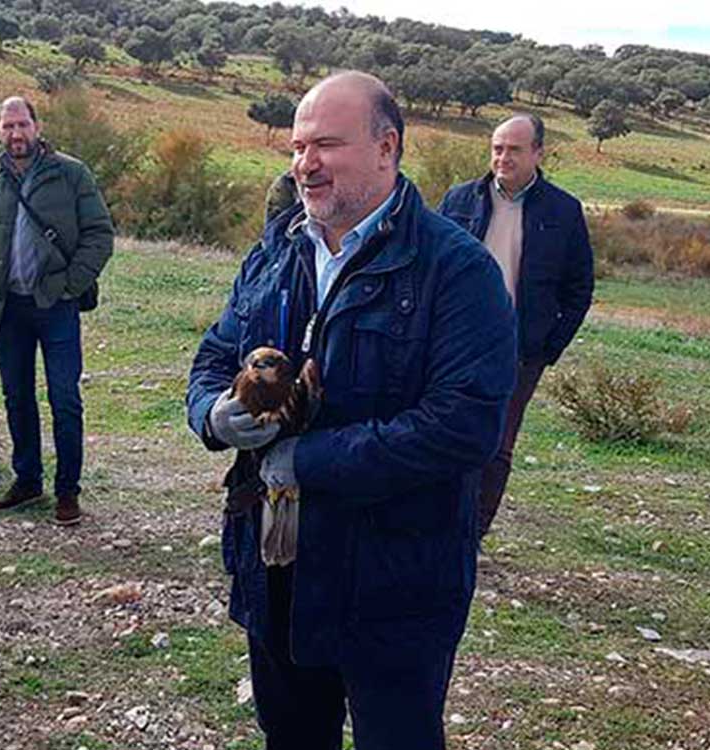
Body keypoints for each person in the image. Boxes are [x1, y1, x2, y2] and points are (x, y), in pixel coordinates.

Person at [186, 72, 517, 750]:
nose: (305, 164)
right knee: (292, 737)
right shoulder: (276, 250)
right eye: (298, 146)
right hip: (278, 572)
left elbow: (464, 425)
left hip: (395, 585)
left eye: (326, 145)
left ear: (386, 147)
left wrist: (305, 459)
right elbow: (215, 355)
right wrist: (213, 416)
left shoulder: (456, 270)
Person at [436, 113, 595, 539]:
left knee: (497, 444)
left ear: (538, 153)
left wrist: (548, 346)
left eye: (514, 149)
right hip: (453, 342)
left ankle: (471, 535)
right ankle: (435, 523)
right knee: (441, 429)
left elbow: (579, 287)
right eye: (497, 148)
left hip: (519, 349)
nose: (503, 157)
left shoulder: (563, 210)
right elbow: (429, 266)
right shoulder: (459, 200)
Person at [0, 96, 114, 526]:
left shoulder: (71, 173)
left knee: (65, 398)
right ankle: (27, 480)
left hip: (56, 307)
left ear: (37, 126)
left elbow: (100, 235)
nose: (16, 134)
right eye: (8, 126)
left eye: (23, 124)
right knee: (16, 398)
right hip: (8, 310)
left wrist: (69, 286)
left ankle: (68, 491)